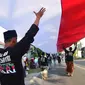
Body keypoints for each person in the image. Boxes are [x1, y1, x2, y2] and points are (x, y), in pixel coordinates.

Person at [0, 7, 46, 85]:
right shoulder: (15, 51)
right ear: (14, 40)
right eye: (16, 41)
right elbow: (29, 35)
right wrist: (38, 18)